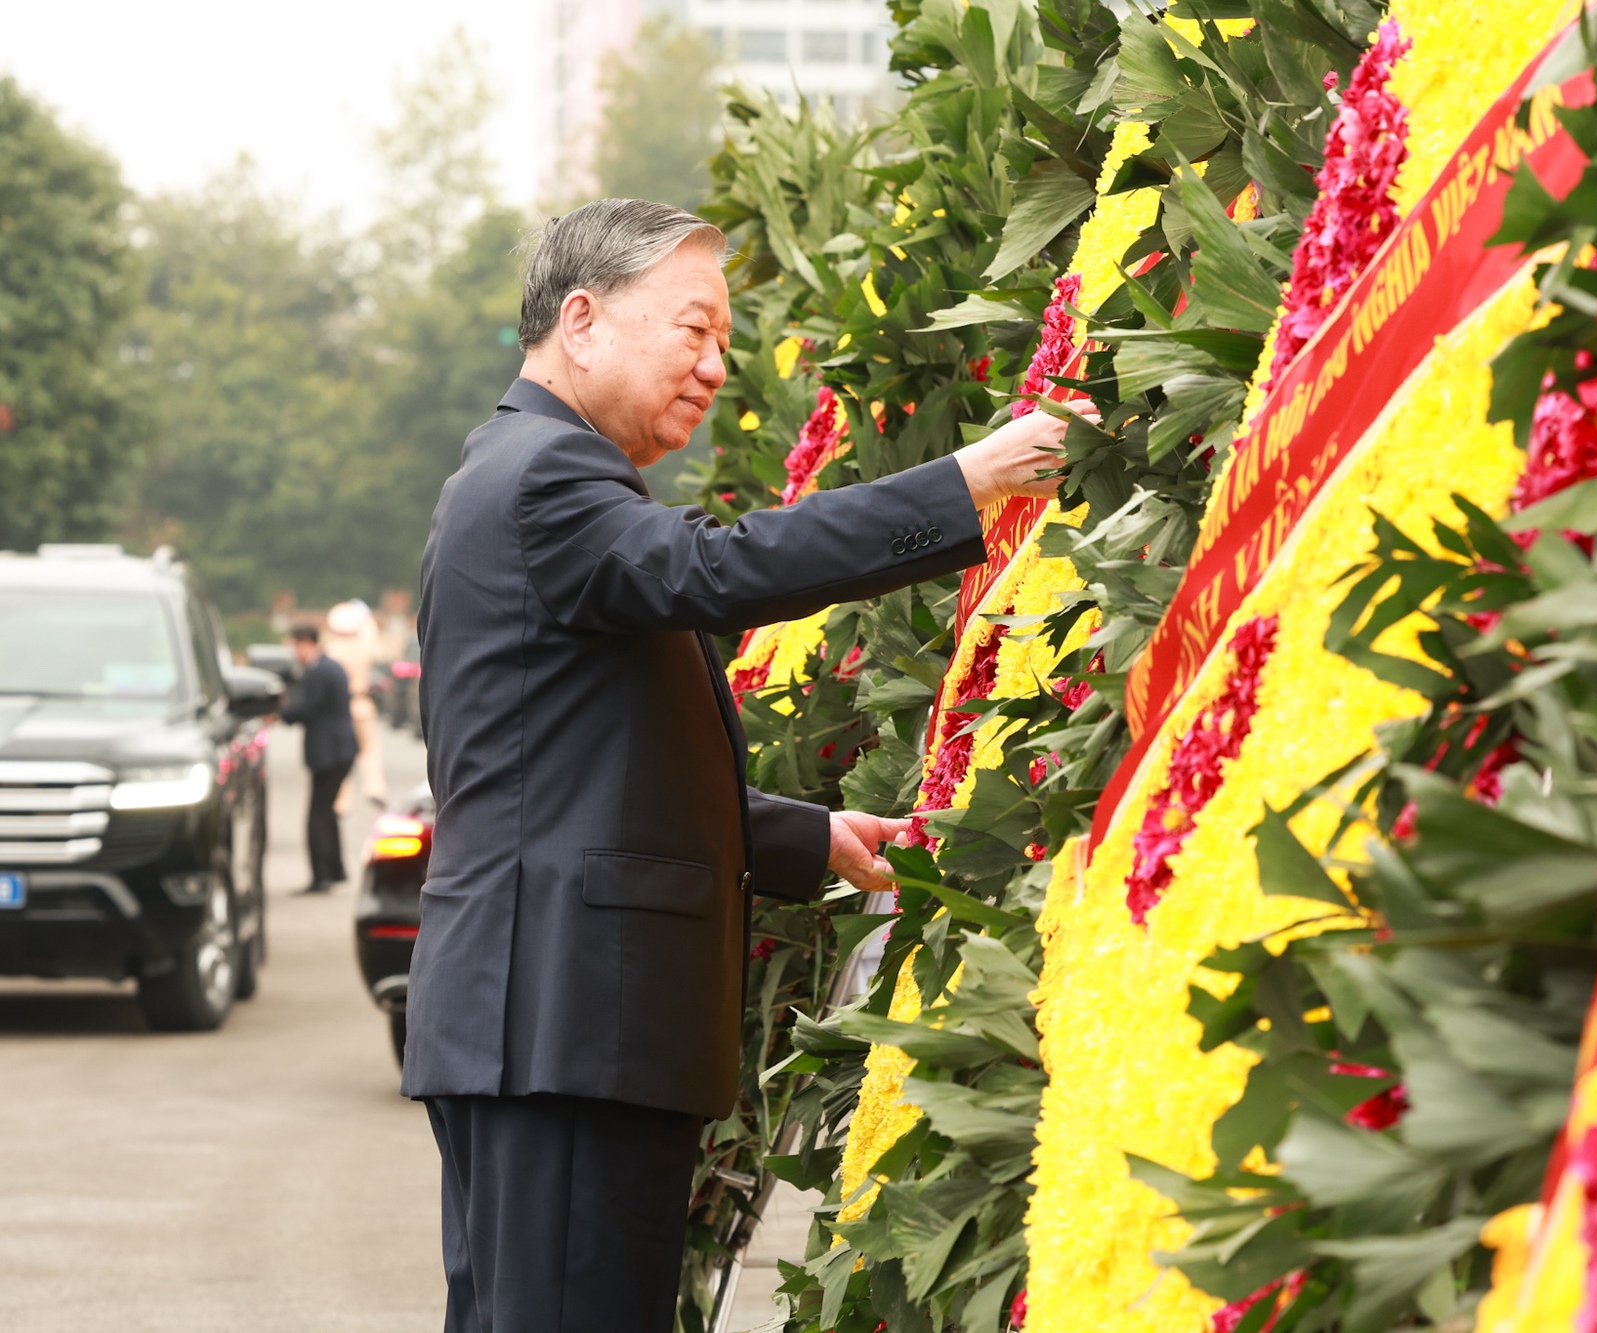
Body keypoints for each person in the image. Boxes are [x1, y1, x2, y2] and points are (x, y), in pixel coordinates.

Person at [406, 198, 1092, 1332]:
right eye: (694, 329)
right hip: (562, 1021)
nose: (716, 367)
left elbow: (569, 765)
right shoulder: (543, 476)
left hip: (542, 1017)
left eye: (723, 341)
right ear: (582, 321)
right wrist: (963, 482)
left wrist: (805, 834)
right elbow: (720, 569)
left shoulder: (522, 472)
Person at [279, 624, 360, 894]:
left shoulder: (318, 671)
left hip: (329, 752)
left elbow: (307, 708)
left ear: (305, 643)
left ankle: (321, 876)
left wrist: (280, 714)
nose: (295, 653)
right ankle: (336, 869)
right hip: (340, 749)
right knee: (327, 811)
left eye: (295, 646)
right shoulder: (330, 666)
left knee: (317, 815)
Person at [322, 598, 388, 811]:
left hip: (340, 707)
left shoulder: (331, 649)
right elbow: (380, 651)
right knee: (369, 748)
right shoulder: (364, 647)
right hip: (362, 703)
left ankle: (342, 799)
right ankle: (374, 787)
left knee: (342, 754)